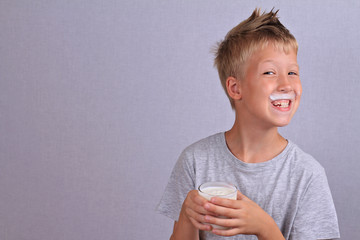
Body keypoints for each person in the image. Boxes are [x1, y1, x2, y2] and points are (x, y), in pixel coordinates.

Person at [157, 8, 340, 240]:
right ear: (236, 88)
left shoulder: (307, 175)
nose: (286, 84)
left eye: (293, 72)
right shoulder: (195, 161)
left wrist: (265, 227)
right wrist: (187, 213)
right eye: (270, 72)